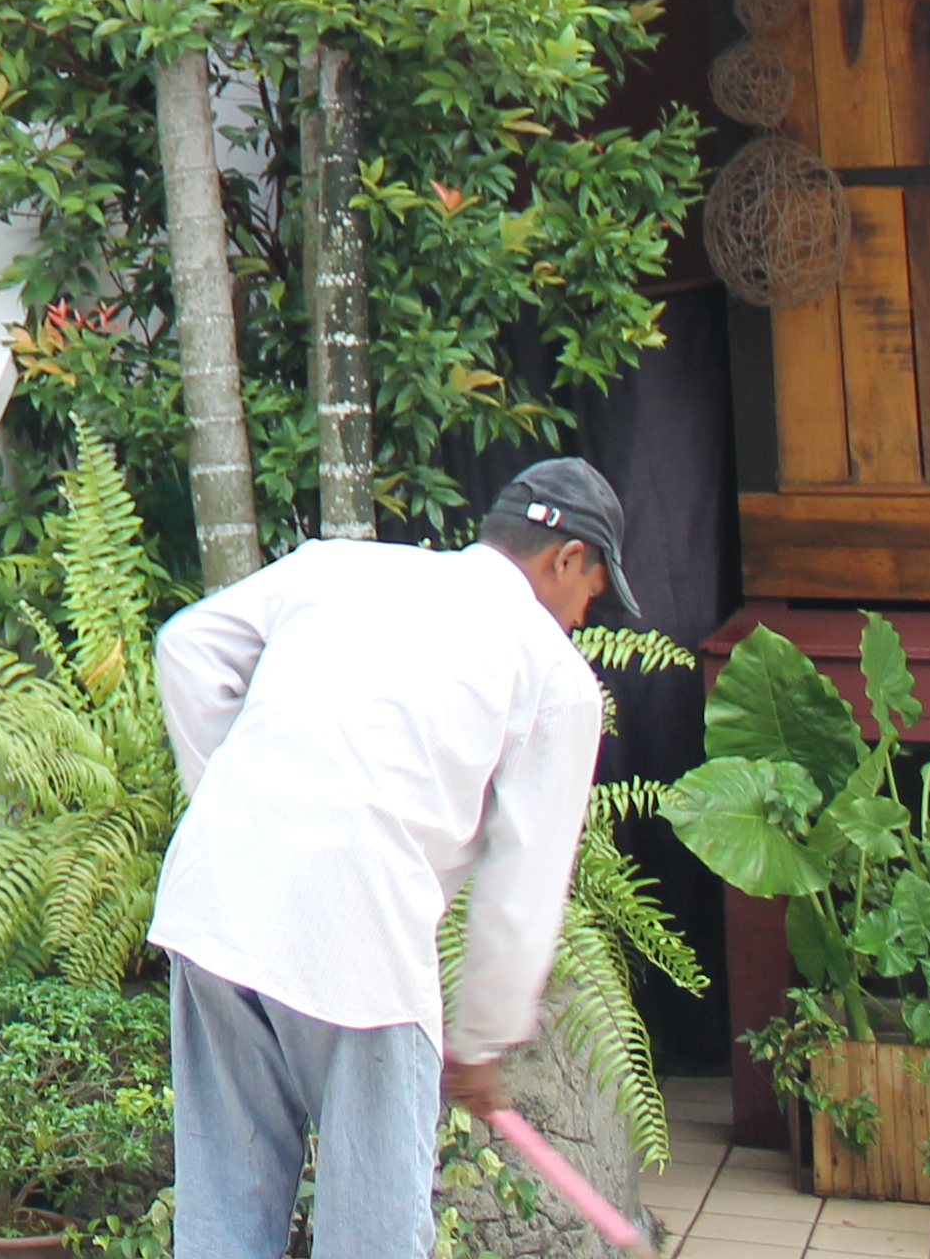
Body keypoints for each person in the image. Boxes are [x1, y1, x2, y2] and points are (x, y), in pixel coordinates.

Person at [150, 458, 638, 1259]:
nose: (585, 617)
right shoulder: (554, 676)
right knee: (373, 1239)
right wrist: (482, 1043)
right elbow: (523, 888)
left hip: (216, 899)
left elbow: (187, 649)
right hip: (360, 936)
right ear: (568, 558)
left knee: (223, 1222)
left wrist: (240, 808)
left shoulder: (342, 566)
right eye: (594, 592)